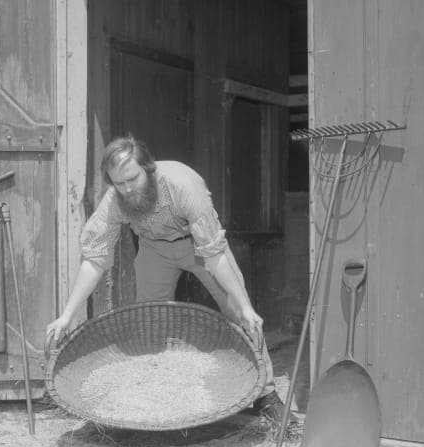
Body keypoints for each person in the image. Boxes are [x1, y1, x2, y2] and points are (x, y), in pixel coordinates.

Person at [45, 134, 282, 419]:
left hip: (197, 246)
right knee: (149, 318)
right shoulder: (116, 200)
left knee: (239, 313)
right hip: (153, 248)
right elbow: (94, 260)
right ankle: (156, 400)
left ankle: (267, 395)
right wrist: (68, 315)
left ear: (149, 168)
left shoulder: (183, 185)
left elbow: (215, 256)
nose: (128, 189)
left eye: (133, 179)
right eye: (119, 184)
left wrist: (245, 306)